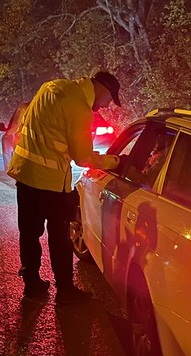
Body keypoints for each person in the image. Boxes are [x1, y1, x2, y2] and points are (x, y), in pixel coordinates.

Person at [7, 71, 122, 304]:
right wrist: (115, 162)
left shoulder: (51, 86)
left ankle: (31, 284)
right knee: (60, 237)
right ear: (102, 88)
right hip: (50, 182)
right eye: (110, 98)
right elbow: (82, 158)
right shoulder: (79, 108)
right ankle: (65, 291)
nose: (107, 105)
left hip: (24, 173)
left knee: (29, 233)